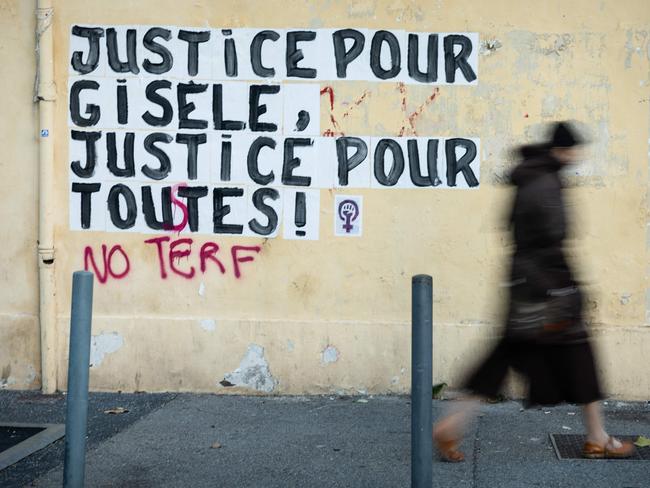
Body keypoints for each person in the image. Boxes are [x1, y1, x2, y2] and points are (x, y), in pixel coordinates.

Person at [432, 121, 635, 461]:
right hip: (549, 293)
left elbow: (515, 233)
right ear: (562, 150)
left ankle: (450, 425)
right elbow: (553, 242)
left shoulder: (528, 177)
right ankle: (598, 437)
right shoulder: (546, 183)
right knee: (581, 358)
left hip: (524, 290)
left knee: (499, 361)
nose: (575, 157)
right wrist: (567, 291)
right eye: (572, 151)